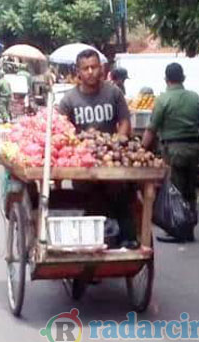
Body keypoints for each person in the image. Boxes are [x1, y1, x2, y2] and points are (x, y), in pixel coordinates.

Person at [58, 49, 137, 249]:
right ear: (78, 72)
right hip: (83, 164)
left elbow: (125, 121)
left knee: (122, 195)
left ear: (101, 69)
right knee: (90, 205)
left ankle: (128, 238)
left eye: (94, 67)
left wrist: (119, 140)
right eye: (86, 68)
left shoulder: (113, 92)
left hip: (111, 160)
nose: (91, 72)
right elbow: (62, 131)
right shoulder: (69, 100)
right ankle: (89, 253)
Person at [141, 63, 199, 242]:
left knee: (175, 191)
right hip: (194, 150)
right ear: (183, 78)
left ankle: (178, 229)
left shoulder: (163, 100)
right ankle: (189, 228)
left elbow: (151, 130)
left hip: (173, 151)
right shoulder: (195, 98)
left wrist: (141, 149)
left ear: (166, 79)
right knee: (190, 190)